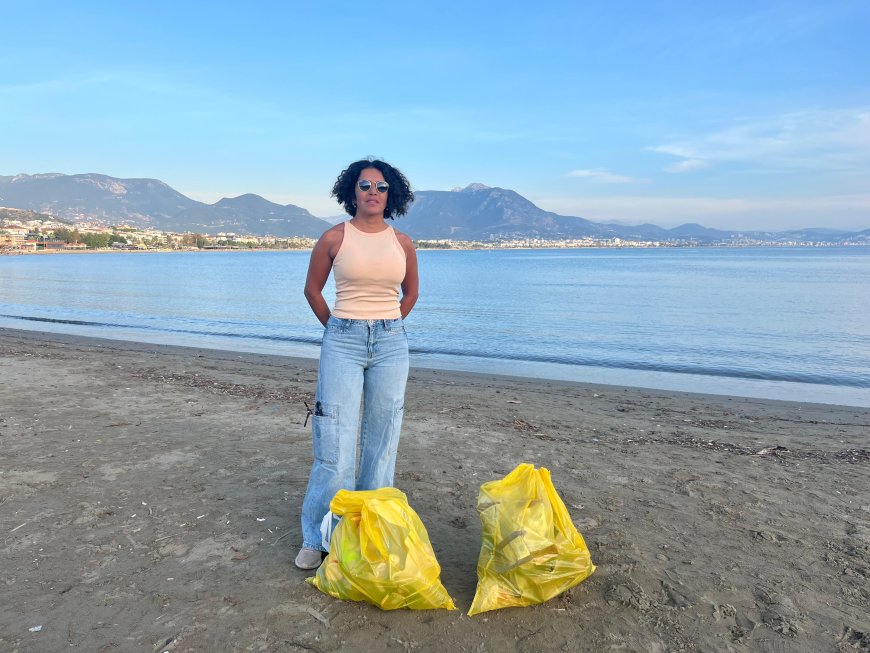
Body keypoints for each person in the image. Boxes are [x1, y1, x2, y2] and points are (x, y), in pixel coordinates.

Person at [295, 158, 419, 569]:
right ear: (351, 192)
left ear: (391, 195)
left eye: (381, 187)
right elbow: (313, 290)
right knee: (334, 441)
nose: (373, 192)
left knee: (383, 439)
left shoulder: (402, 242)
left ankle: (371, 528)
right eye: (365, 185)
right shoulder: (334, 237)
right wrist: (338, 329)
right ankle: (318, 536)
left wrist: (387, 328)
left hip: (390, 343)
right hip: (343, 341)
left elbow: (411, 293)